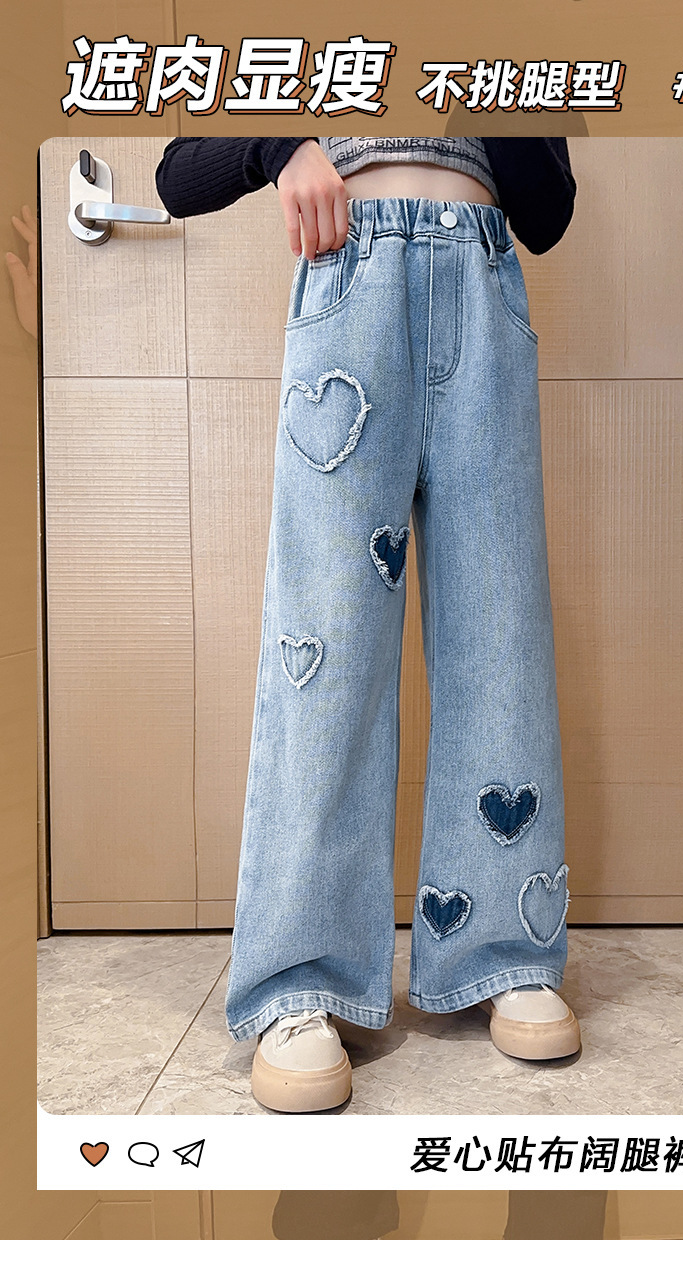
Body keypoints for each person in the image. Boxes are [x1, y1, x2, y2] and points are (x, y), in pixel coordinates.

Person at [155, 136, 580, 1113]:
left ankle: (504, 948)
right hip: (351, 273)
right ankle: (300, 978)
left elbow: (548, 212)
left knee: (500, 635)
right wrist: (280, 147)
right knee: (328, 647)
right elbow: (179, 174)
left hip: (483, 281)